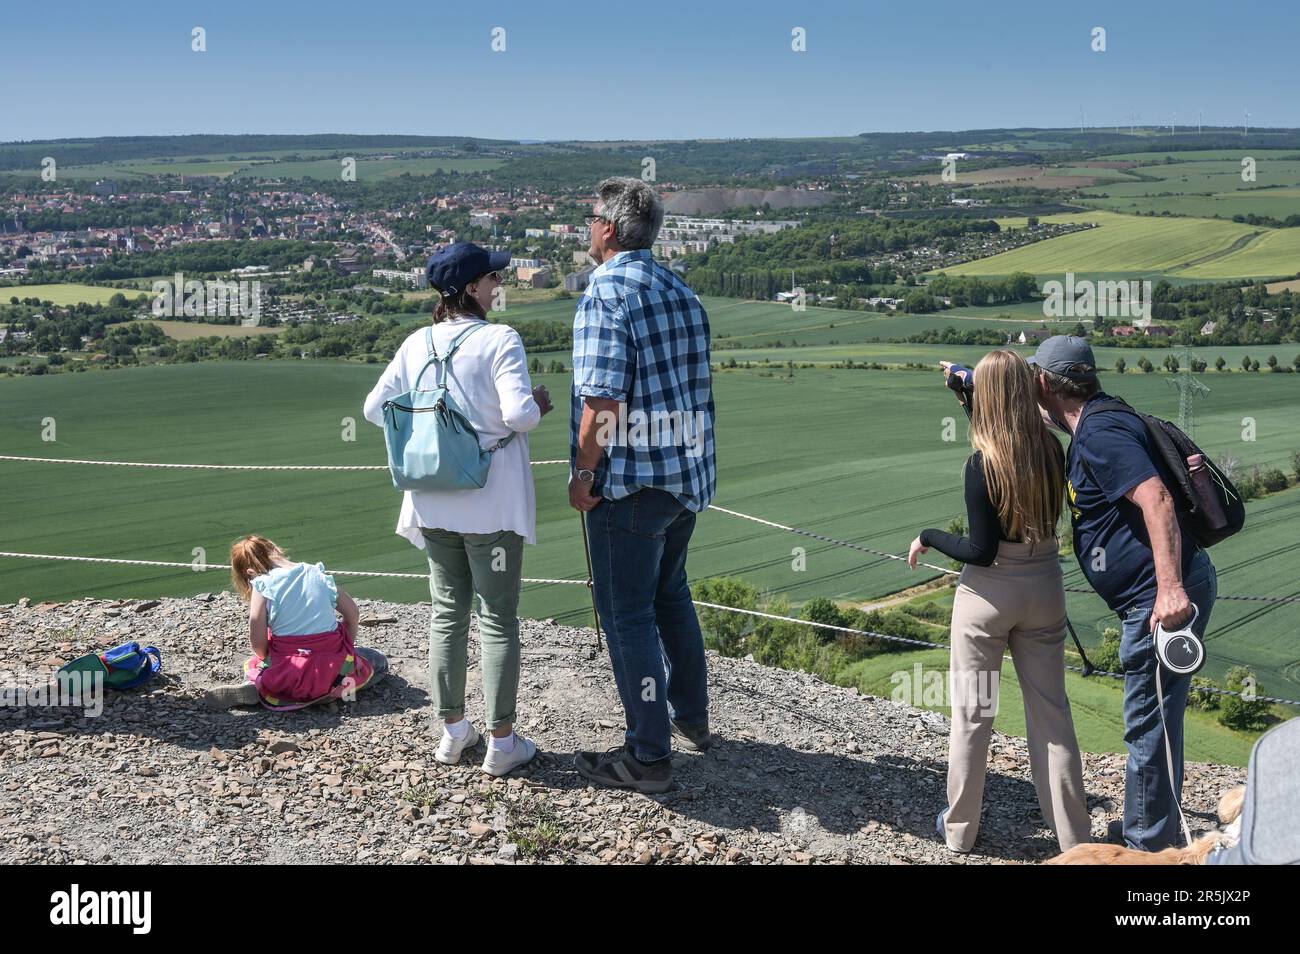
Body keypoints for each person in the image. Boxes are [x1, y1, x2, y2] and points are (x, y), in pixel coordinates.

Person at [362, 242, 553, 778]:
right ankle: (502, 741)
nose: (500, 286)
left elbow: (374, 409)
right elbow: (518, 416)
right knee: (497, 619)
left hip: (430, 500)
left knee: (446, 615)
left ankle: (451, 734)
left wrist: (430, 424)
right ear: (471, 287)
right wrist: (537, 405)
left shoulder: (416, 341)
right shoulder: (500, 339)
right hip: (490, 504)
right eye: (493, 278)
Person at [1029, 335, 1217, 852]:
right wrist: (974, 387)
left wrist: (1170, 589)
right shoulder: (1100, 417)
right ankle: (1154, 827)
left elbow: (1155, 499)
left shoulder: (1099, 434)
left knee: (1148, 724)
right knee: (1156, 720)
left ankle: (1147, 849)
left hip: (1158, 601)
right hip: (1154, 595)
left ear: (1045, 382)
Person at [910, 350, 1091, 854]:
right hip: (1046, 587)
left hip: (988, 596)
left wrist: (927, 536)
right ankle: (1075, 840)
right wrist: (967, 394)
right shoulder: (1053, 450)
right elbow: (1009, 442)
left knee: (973, 714)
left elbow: (981, 550)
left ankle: (960, 831)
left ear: (988, 396)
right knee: (1052, 717)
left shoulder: (980, 464)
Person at [568, 177, 717, 794]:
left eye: (590, 220)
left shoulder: (605, 292)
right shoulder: (678, 286)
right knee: (670, 596)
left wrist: (583, 474)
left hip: (629, 485)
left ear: (607, 228)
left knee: (625, 613)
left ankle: (647, 756)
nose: (587, 230)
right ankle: (691, 717)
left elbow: (603, 399)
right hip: (685, 478)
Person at [206, 535, 388, 711]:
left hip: (288, 672)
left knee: (256, 663)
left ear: (249, 573)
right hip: (333, 667)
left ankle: (262, 687)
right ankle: (331, 692)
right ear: (275, 549)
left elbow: (258, 645)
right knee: (377, 660)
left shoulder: (261, 584)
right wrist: (346, 646)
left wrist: (270, 657)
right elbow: (353, 614)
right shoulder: (317, 573)